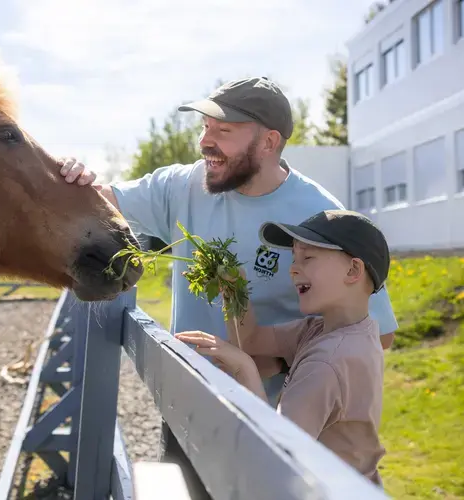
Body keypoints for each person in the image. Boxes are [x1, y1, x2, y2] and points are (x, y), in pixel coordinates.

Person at [59, 76, 398, 498]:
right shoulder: (182, 185)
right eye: (204, 128)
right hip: (187, 403)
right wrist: (72, 179)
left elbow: (376, 334)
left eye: (224, 130)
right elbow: (102, 202)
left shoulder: (321, 217)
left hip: (275, 420)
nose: (205, 141)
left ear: (269, 141)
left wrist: (292, 371)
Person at [175, 208, 389, 487]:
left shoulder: (327, 362)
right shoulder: (331, 330)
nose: (293, 268)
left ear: (353, 270)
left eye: (308, 257)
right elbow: (251, 340)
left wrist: (243, 367)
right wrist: (233, 288)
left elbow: (274, 451)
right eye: (294, 258)